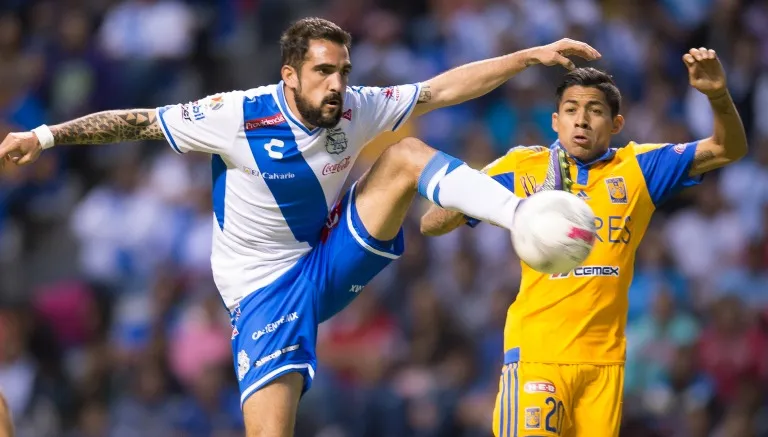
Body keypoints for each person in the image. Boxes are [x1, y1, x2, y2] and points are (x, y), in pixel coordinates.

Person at [0, 17, 600, 437]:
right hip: (261, 292)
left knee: (406, 156)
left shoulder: (357, 106)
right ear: (290, 75)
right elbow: (135, 122)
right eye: (323, 72)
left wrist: (526, 57)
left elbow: (442, 88)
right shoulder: (234, 116)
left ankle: (521, 215)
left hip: (328, 254)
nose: (337, 84)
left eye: (342, 70)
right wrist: (45, 136)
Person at [420, 48, 747, 437]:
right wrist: (517, 207)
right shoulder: (523, 168)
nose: (582, 120)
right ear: (555, 121)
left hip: (603, 366)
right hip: (538, 355)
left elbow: (730, 149)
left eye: (594, 110)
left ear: (616, 123)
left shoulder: (639, 168)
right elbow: (432, 223)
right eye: (571, 109)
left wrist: (717, 96)